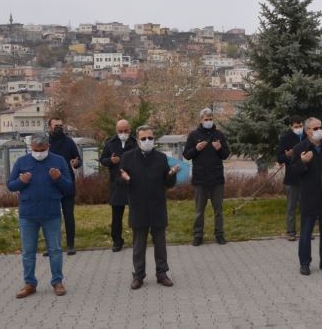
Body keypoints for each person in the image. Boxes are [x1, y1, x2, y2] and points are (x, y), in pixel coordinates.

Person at [8, 133, 73, 299]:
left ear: (48, 147)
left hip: (51, 212)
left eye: (42, 150)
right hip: (28, 214)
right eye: (35, 150)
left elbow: (68, 188)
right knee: (28, 252)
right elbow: (10, 185)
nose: (38, 153)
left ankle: (57, 282)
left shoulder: (58, 161)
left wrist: (58, 179)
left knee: (55, 250)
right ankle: (29, 283)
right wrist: (21, 181)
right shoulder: (22, 162)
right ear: (31, 148)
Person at [120, 125, 180, 289]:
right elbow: (120, 182)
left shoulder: (161, 158)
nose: (147, 141)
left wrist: (171, 175)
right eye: (144, 138)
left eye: (150, 138)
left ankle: (162, 274)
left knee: (160, 243)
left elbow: (167, 183)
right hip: (138, 206)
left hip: (157, 206)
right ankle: (138, 276)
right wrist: (125, 179)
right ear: (138, 140)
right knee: (139, 245)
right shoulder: (127, 157)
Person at [289, 117, 322, 276]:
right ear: (307, 131)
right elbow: (293, 172)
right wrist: (303, 162)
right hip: (309, 196)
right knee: (305, 233)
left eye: (320, 127)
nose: (319, 131)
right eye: (315, 128)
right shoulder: (300, 148)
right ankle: (305, 263)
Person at [183, 108, 231, 246]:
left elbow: (226, 154)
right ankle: (198, 235)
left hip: (216, 179)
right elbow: (186, 155)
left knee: (218, 210)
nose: (208, 121)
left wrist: (219, 148)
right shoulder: (193, 135)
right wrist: (196, 148)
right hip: (200, 179)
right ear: (201, 120)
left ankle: (219, 234)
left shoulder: (219, 135)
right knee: (199, 211)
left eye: (210, 119)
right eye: (206, 119)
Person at [99, 119, 137, 252]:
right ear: (116, 131)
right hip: (117, 183)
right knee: (116, 216)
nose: (123, 133)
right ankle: (117, 241)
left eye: (126, 131)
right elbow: (102, 160)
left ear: (130, 130)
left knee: (137, 213)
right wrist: (111, 160)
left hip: (134, 182)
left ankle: (138, 239)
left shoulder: (135, 142)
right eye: (120, 131)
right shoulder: (110, 143)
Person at [48, 118, 81, 255]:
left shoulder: (69, 141)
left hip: (67, 183)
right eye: (56, 126)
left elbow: (77, 159)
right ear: (50, 127)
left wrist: (76, 163)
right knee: (51, 217)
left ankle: (70, 245)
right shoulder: (46, 141)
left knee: (68, 215)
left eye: (61, 126)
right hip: (49, 184)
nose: (59, 128)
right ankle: (52, 246)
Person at [277, 115, 306, 241]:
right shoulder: (285, 138)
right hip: (292, 178)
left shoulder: (307, 137)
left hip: (307, 176)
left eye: (300, 126)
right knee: (291, 206)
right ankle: (290, 231)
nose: (299, 128)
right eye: (296, 127)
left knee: (306, 206)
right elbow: (279, 158)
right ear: (291, 127)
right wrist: (287, 155)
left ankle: (306, 232)